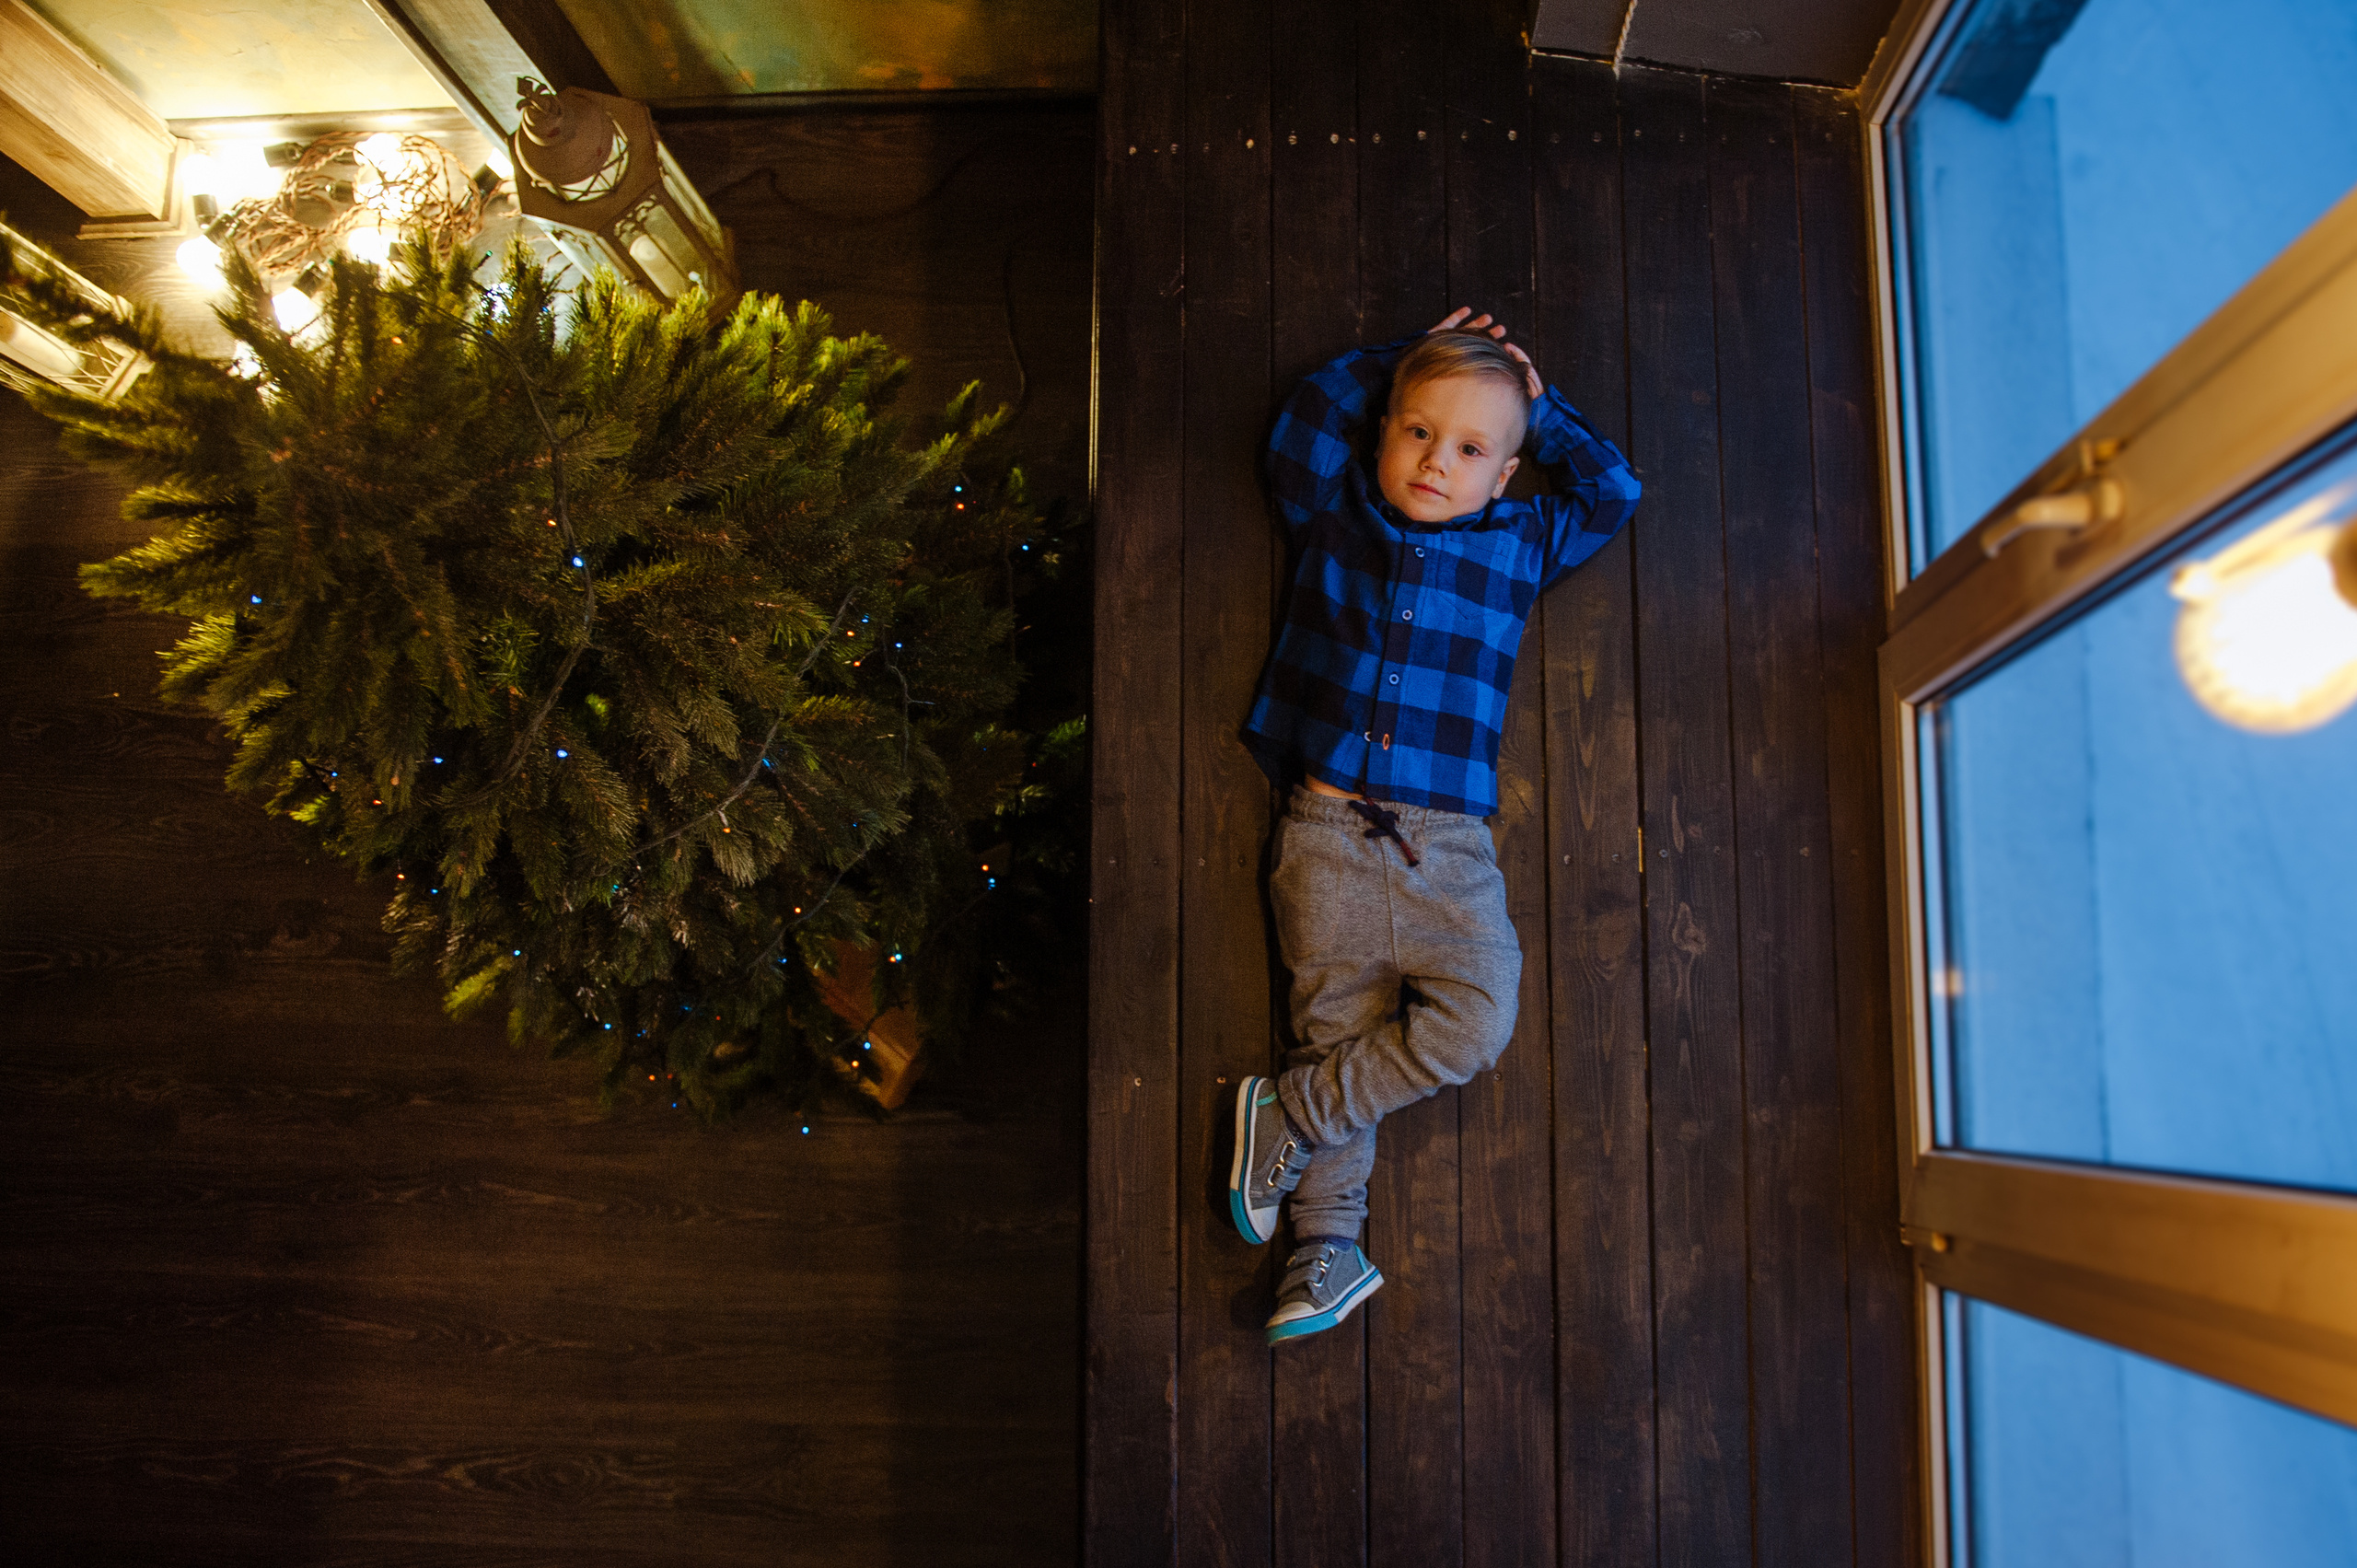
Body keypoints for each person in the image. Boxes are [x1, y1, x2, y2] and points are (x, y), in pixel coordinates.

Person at [1228, 307, 1641, 1343]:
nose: (1434, 461)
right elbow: (1310, 415)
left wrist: (1536, 410)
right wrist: (1398, 359)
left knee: (1474, 1020)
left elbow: (1613, 491)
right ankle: (1326, 1246)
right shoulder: (1333, 507)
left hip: (1446, 848)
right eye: (1416, 432)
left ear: (1503, 476)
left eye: (1467, 449)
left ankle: (1296, 1115)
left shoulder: (1520, 543)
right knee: (1336, 1032)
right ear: (1383, 435)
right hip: (1322, 831)